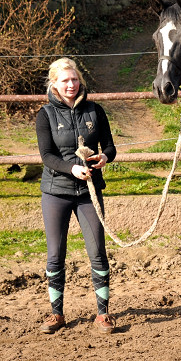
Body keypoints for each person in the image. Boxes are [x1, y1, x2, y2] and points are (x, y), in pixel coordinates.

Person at [35, 57, 117, 334]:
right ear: (54, 84)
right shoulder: (45, 115)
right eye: (64, 81)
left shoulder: (95, 111)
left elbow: (109, 146)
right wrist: (71, 168)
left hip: (88, 193)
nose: (71, 85)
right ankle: (56, 314)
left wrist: (105, 156)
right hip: (56, 192)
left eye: (74, 79)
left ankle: (103, 314)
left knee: (97, 252)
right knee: (55, 254)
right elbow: (47, 156)